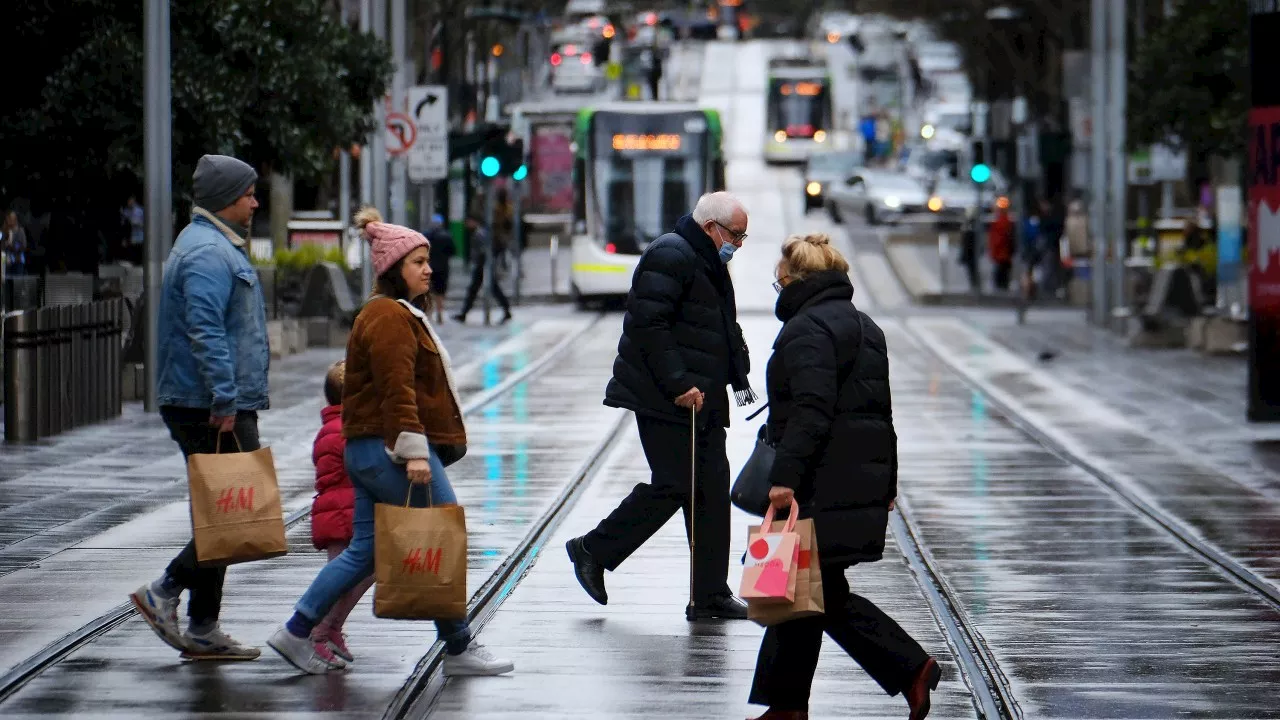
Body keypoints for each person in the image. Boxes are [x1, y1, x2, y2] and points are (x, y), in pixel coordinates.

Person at [269, 206, 513, 677]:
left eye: (427, 260)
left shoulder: (392, 313)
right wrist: (415, 452)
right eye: (418, 262)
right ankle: (459, 646)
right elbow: (396, 388)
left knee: (365, 550)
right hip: (388, 451)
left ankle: (295, 631)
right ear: (393, 270)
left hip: (367, 448)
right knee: (442, 532)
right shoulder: (387, 317)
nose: (429, 269)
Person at [748, 233, 940, 720]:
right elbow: (882, 412)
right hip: (855, 479)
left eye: (779, 281)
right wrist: (888, 483)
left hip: (821, 481)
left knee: (814, 592)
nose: (778, 289)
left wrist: (785, 476)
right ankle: (787, 706)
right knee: (802, 590)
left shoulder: (808, 330)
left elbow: (811, 410)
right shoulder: (863, 325)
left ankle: (910, 666)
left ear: (794, 281)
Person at [565, 191, 756, 621]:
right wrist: (679, 383)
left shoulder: (707, 258)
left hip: (703, 400)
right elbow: (649, 324)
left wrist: (733, 374)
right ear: (712, 228)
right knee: (674, 484)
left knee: (710, 494)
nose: (738, 245)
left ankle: (708, 595)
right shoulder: (671, 253)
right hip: (666, 399)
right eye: (736, 235)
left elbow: (715, 324)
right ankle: (592, 549)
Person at [129, 154, 268, 660]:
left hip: (210, 400)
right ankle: (163, 591)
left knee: (224, 517)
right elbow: (205, 330)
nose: (255, 202)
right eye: (249, 193)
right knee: (237, 517)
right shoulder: (208, 253)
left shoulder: (213, 245)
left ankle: (204, 627)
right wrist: (225, 398)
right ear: (227, 197)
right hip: (207, 405)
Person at [307, 360, 372, 665]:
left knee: (366, 572)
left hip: (348, 512)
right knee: (337, 580)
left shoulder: (341, 426)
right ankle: (318, 632)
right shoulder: (341, 430)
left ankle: (332, 627)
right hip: (341, 516)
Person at [452, 192, 512, 324]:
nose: (466, 225)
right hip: (484, 263)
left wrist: (484, 261)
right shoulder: (480, 232)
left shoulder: (480, 233)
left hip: (484, 263)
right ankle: (465, 313)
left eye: (468, 222)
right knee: (486, 287)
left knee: (479, 287)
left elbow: (487, 248)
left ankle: (465, 313)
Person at [425, 214, 455, 323]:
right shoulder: (447, 236)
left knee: (429, 291)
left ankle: (429, 313)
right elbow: (453, 251)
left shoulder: (426, 235)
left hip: (429, 266)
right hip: (443, 267)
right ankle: (440, 312)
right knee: (441, 292)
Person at [988, 206, 1014, 292]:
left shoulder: (999, 223)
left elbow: (997, 241)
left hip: (1001, 255)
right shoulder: (1006, 222)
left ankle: (1001, 290)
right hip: (1004, 255)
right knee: (1003, 275)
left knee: (1000, 275)